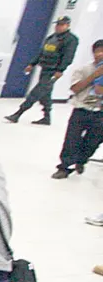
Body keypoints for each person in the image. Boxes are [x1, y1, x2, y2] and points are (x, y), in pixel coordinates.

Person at [6, 17, 80, 126]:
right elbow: (42, 52)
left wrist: (60, 70)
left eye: (62, 24)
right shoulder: (52, 38)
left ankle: (18, 114)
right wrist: (32, 64)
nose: (58, 26)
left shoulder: (71, 40)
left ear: (67, 26)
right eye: (58, 24)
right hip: (45, 68)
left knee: (36, 92)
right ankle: (47, 118)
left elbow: (68, 56)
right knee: (45, 94)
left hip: (53, 71)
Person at [51, 39, 103, 178]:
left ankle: (81, 160)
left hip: (100, 113)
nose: (100, 54)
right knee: (71, 140)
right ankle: (65, 166)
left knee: (93, 142)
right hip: (82, 108)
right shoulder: (84, 69)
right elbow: (75, 88)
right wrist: (94, 76)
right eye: (98, 51)